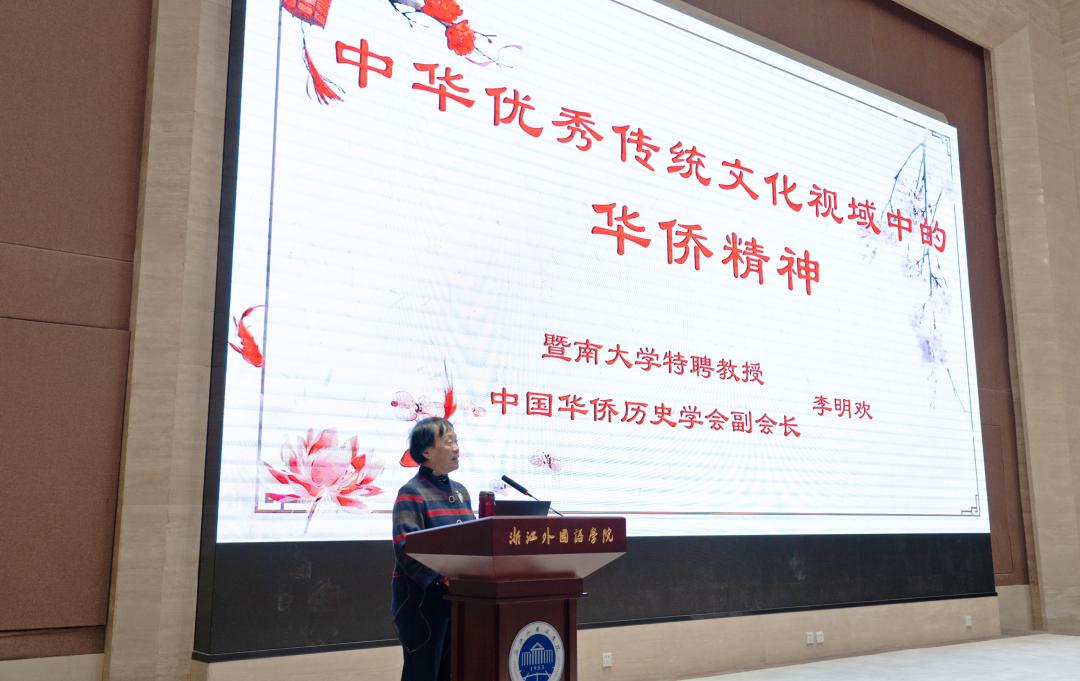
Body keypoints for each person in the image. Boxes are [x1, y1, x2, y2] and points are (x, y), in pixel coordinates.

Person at [391, 417, 474, 681]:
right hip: (423, 606)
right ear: (426, 451)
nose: (457, 448)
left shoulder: (461, 492)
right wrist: (439, 578)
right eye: (449, 441)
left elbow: (475, 540)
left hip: (458, 602)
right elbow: (405, 547)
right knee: (423, 674)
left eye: (456, 441)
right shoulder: (411, 492)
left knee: (453, 673)